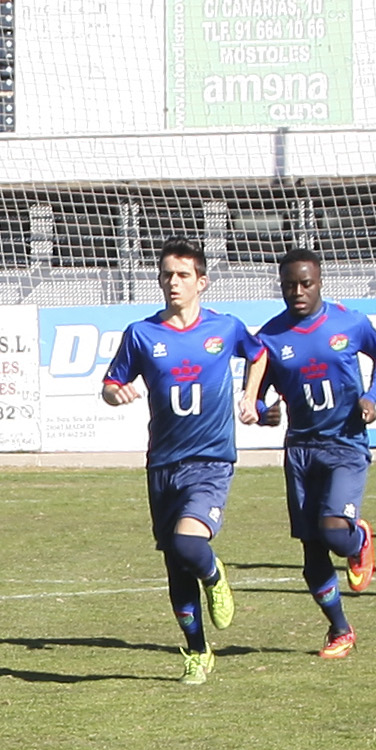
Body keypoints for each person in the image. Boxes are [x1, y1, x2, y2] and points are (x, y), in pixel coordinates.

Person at [103, 241, 266, 685]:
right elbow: (111, 382)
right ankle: (197, 651)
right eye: (166, 275)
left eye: (182, 275)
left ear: (202, 282)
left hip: (211, 460)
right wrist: (114, 392)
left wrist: (251, 396)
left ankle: (215, 577)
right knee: (175, 567)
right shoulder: (142, 334)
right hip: (163, 465)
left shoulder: (226, 328)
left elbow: (259, 353)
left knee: (189, 545)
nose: (173, 282)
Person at [251, 250, 376, 659]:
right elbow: (255, 396)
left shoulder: (351, 322)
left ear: (320, 282)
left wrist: (370, 397)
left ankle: (358, 537)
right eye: (289, 285)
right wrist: (264, 412)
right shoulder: (270, 338)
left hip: (346, 443)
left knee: (334, 531)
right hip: (300, 450)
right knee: (312, 551)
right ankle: (340, 629)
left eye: (305, 283)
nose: (297, 292)